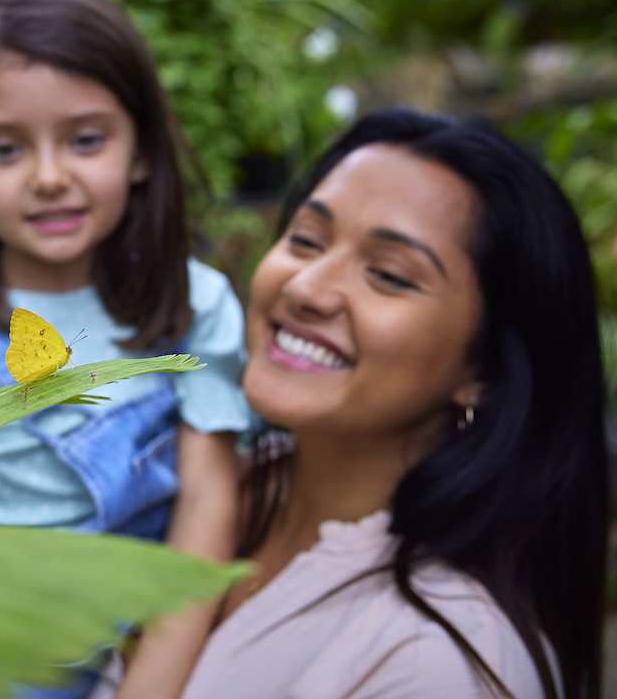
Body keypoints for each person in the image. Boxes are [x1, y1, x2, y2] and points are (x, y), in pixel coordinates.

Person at [94, 107, 609, 698]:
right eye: (307, 241)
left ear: (485, 370)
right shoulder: (193, 486)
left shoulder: (439, 664)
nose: (305, 287)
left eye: (388, 275)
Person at [0, 0, 251, 697]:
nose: (49, 177)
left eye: (86, 139)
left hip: (143, 663)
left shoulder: (195, 305)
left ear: (142, 150)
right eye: (5, 149)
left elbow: (207, 504)